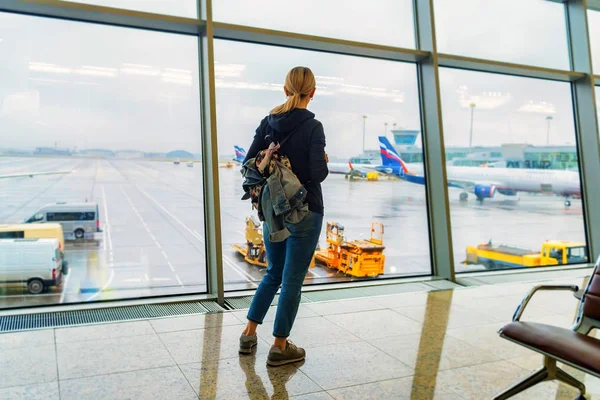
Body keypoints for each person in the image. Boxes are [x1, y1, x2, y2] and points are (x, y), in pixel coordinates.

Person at [239, 66, 328, 367]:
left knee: (273, 273)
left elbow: (249, 163)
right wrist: (323, 160)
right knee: (292, 279)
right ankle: (279, 346)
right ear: (312, 93)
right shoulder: (313, 127)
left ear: (285, 89)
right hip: (305, 210)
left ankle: (249, 333)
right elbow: (318, 173)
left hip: (272, 209)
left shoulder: (268, 122)